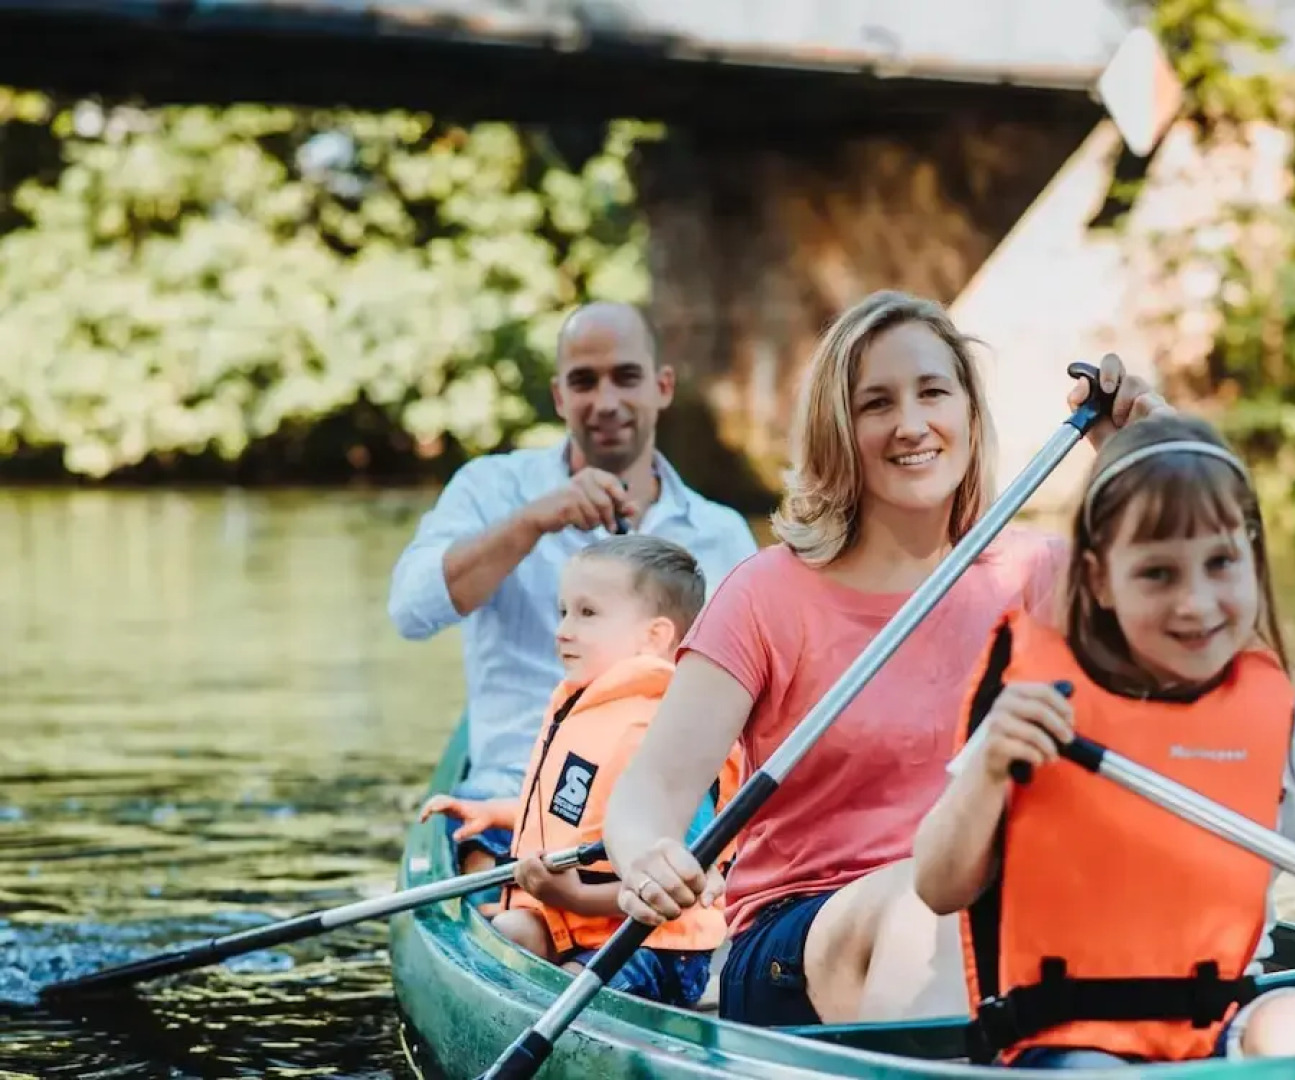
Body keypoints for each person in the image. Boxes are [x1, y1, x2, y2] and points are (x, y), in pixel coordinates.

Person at [601, 289, 1169, 1027]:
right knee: (925, 909)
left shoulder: (1045, 575)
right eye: (876, 404)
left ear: (968, 413)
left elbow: (1208, 659)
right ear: (839, 429)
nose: (910, 425)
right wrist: (648, 854)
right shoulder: (766, 594)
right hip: (803, 935)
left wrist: (1154, 463)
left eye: (933, 392)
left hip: (1014, 913)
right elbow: (651, 791)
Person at [911, 413, 1295, 1068]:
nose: (1196, 603)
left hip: (1216, 1027)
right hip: (1069, 1040)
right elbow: (937, 886)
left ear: (1252, 554)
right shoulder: (1038, 713)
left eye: (1220, 563)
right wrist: (990, 770)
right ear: (1101, 580)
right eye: (1158, 574)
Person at [389, 301, 757, 879]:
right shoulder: (494, 488)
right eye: (584, 382)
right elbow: (411, 612)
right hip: (514, 797)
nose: (606, 402)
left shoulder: (721, 533)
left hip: (668, 806)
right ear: (560, 398)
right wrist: (531, 522)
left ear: (662, 387)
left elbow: (756, 696)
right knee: (509, 913)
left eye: (626, 378)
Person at [424, 535, 739, 1005]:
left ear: (653, 636)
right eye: (563, 611)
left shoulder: (662, 734)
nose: (563, 630)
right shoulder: (588, 706)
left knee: (572, 991)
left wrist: (570, 896)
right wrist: (498, 813)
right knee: (506, 932)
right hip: (572, 918)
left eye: (587, 614)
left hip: (654, 945)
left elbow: (683, 888)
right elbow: (577, 812)